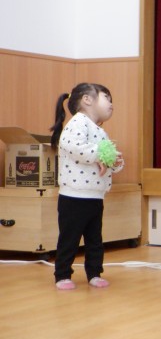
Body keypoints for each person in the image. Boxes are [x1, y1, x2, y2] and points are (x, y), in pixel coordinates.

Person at [50, 83, 124, 290]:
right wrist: (100, 155)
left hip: (95, 195)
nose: (111, 104)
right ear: (87, 100)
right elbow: (74, 146)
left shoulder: (100, 131)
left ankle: (94, 273)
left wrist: (115, 161)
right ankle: (62, 274)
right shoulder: (78, 122)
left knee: (95, 239)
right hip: (74, 195)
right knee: (70, 238)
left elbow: (107, 156)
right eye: (107, 98)